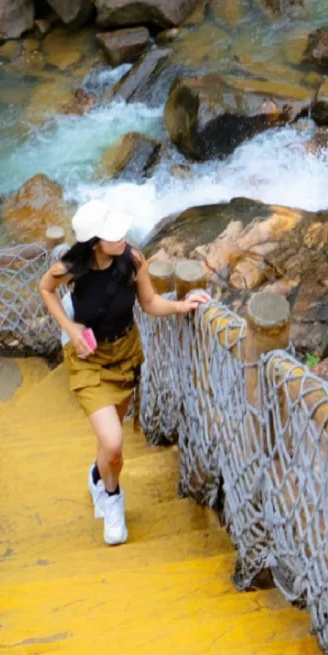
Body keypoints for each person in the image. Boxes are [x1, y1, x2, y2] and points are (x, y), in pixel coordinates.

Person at [38, 198, 210, 545]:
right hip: (89, 361)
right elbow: (46, 289)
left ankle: (97, 476)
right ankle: (113, 499)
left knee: (109, 446)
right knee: (114, 441)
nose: (123, 237)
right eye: (113, 235)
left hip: (125, 354)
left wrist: (181, 305)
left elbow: (148, 303)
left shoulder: (132, 260)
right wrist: (71, 330)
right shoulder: (71, 266)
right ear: (94, 243)